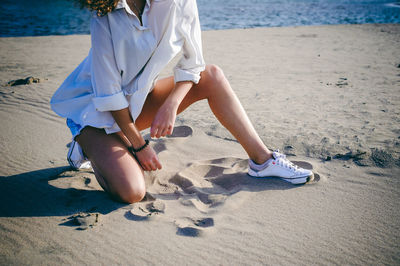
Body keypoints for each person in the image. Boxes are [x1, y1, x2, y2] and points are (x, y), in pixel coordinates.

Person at [50, 0, 313, 204]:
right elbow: (109, 95)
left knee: (212, 76)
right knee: (131, 192)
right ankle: (85, 144)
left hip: (137, 102)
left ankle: (264, 161)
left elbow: (194, 62)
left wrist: (171, 104)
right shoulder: (105, 14)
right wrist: (139, 146)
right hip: (93, 112)